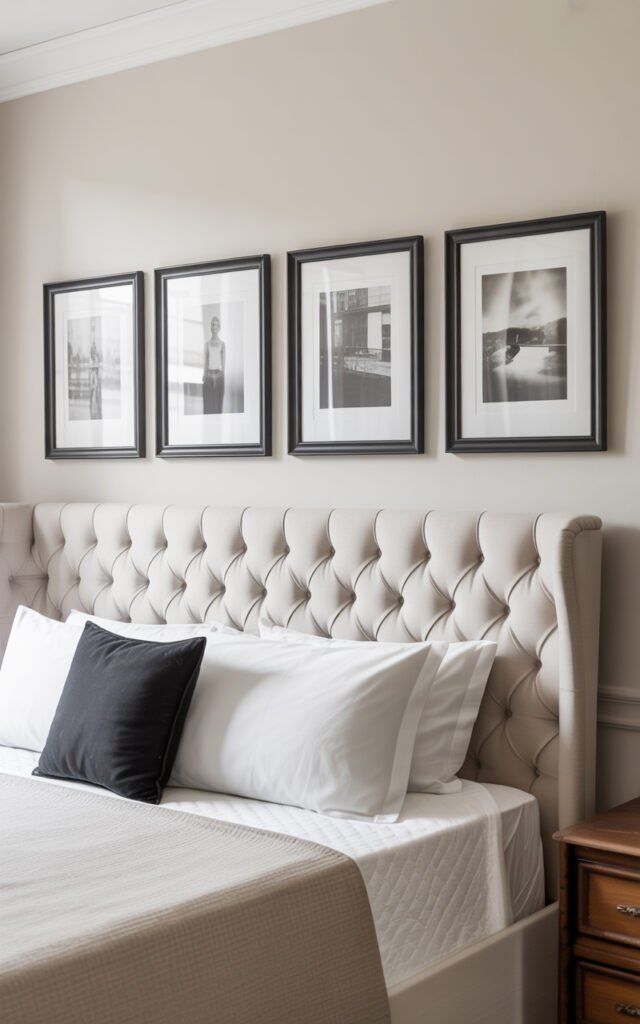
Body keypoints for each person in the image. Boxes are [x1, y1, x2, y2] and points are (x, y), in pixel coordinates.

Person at [202, 315, 226, 414]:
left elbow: (223, 364)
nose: (214, 327)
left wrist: (222, 376)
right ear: (210, 327)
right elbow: (206, 361)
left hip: (219, 376)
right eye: (212, 325)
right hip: (209, 376)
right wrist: (204, 374)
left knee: (218, 405)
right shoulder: (207, 344)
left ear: (219, 327)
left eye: (216, 325)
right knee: (208, 404)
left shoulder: (222, 344)